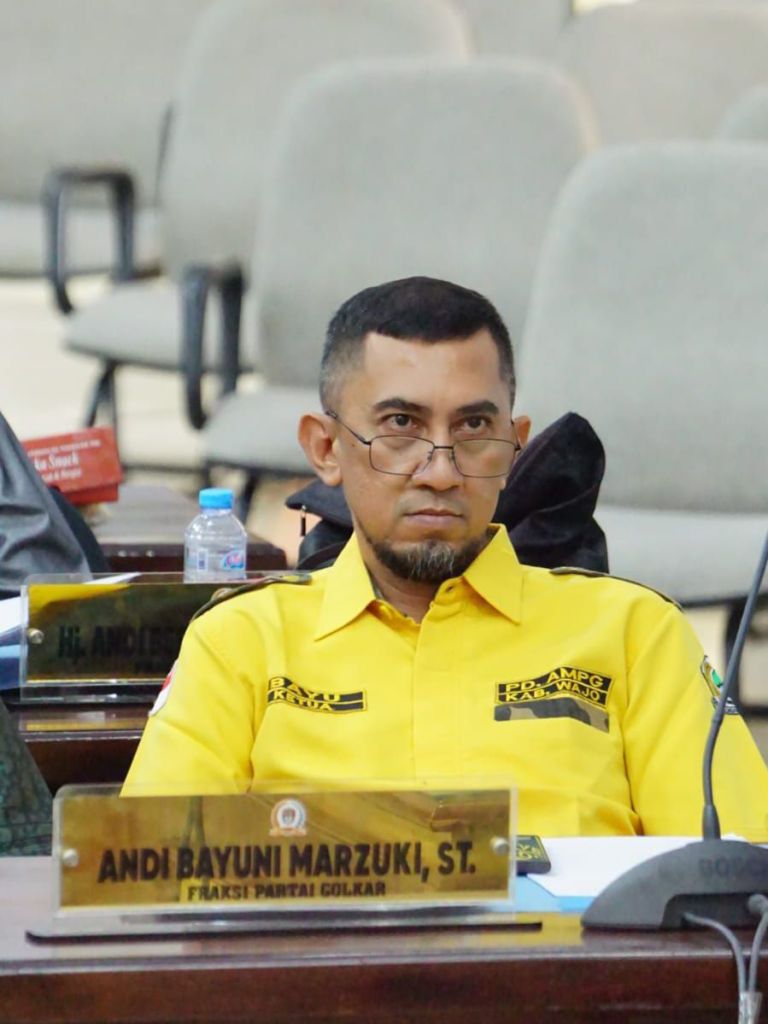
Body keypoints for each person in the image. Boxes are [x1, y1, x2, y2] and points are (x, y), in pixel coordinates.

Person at [123, 276, 768, 839]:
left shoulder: (635, 634)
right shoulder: (241, 642)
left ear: (514, 447)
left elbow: (736, 876)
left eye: (473, 428)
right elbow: (146, 874)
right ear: (325, 449)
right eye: (400, 426)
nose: (440, 471)